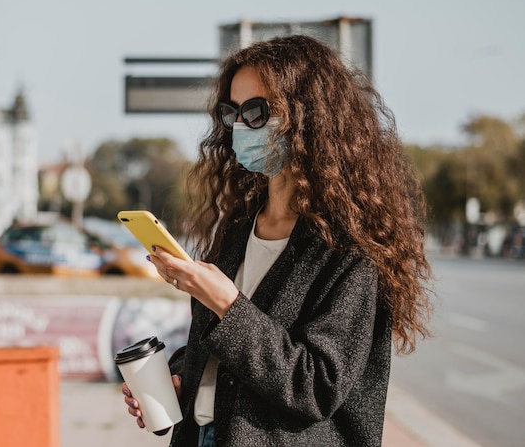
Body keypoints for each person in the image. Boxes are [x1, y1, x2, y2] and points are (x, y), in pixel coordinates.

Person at [122, 34, 433, 446]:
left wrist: (226, 303)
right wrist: (182, 377)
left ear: (309, 116)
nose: (238, 125)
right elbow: (226, 354)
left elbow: (315, 386)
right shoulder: (238, 228)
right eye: (231, 112)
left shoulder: (349, 251)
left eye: (255, 111)